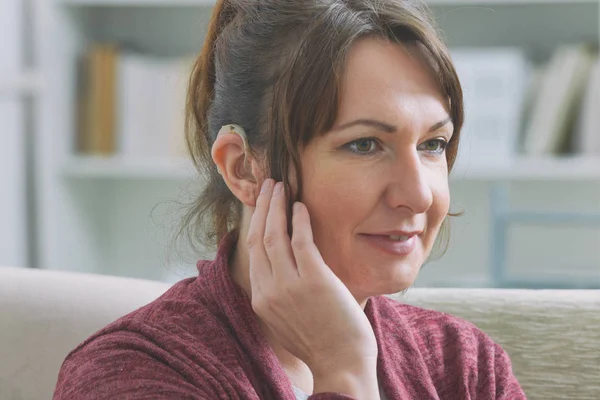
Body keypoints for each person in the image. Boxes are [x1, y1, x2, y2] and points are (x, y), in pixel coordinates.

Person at [54, 0, 526, 399]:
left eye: (432, 145)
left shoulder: (462, 366)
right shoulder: (132, 376)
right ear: (244, 168)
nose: (419, 195)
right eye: (364, 144)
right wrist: (344, 370)